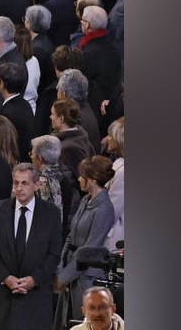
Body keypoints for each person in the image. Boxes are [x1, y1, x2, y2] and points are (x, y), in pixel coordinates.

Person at [0, 162, 64, 330]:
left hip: (36, 300)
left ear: (37, 185)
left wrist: (34, 280)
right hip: (4, 300)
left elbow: (54, 254)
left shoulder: (51, 214)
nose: (19, 188)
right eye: (16, 183)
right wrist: (6, 278)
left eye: (24, 183)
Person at [56, 155, 116, 316]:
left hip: (86, 277)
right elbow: (71, 236)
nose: (79, 179)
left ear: (93, 180)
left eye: (82, 176)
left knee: (82, 320)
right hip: (71, 270)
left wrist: (65, 277)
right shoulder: (85, 200)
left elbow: (90, 249)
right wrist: (61, 266)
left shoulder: (104, 209)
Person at [103, 118, 124, 248]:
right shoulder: (118, 165)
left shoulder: (123, 173)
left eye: (110, 135)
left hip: (114, 237)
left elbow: (111, 210)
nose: (107, 139)